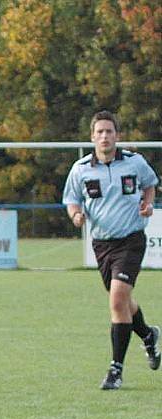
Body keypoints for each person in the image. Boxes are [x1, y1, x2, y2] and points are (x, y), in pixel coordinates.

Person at [63, 110, 160, 390]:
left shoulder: (134, 162)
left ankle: (115, 370)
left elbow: (150, 185)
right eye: (100, 132)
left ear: (117, 135)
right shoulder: (80, 169)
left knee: (117, 299)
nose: (105, 136)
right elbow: (71, 200)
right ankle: (149, 335)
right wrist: (76, 215)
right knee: (123, 303)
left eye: (109, 131)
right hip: (102, 244)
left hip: (130, 240)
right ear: (92, 136)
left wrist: (147, 204)